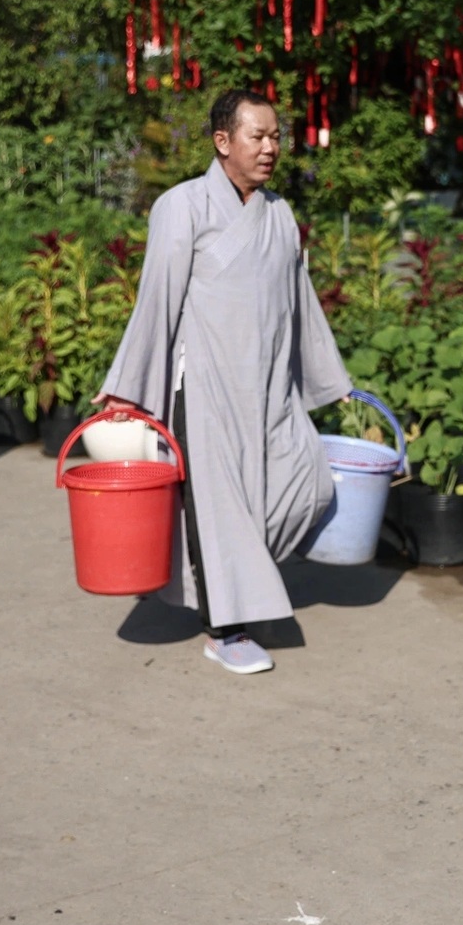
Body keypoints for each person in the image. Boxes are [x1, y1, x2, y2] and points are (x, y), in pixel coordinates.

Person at [95, 89, 353, 675]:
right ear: (222, 142)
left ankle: (239, 583)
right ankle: (225, 628)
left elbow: (301, 301)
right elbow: (155, 301)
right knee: (218, 507)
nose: (270, 148)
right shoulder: (181, 207)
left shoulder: (280, 213)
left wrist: (327, 379)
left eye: (276, 137)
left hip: (270, 384)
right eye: (257, 136)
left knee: (308, 481)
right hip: (206, 385)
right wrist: (128, 388)